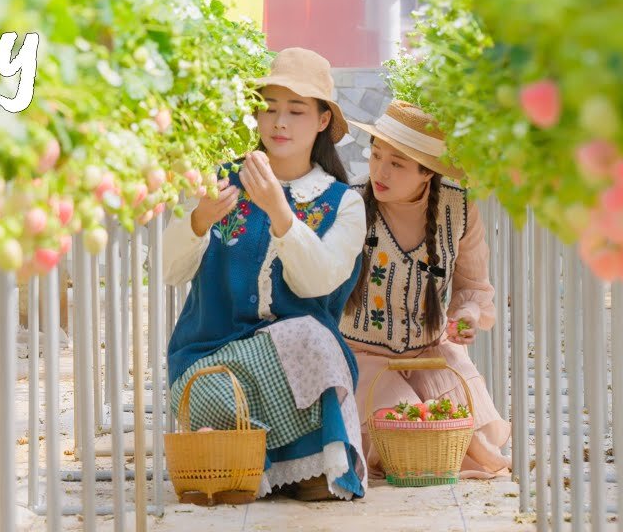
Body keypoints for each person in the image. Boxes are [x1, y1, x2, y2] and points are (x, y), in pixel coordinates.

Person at [163, 47, 368, 504]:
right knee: (212, 397)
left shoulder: (343, 204)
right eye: (269, 108)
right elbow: (169, 270)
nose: (279, 122)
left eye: (296, 111)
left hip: (296, 369)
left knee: (311, 339)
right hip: (210, 366)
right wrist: (197, 220)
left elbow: (319, 281)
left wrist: (280, 212)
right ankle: (253, 462)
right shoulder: (223, 181)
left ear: (321, 122)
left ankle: (277, 463)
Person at [343, 99, 511, 480]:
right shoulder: (349, 202)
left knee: (469, 433)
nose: (379, 171)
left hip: (431, 351)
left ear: (426, 173)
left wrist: (466, 316)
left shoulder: (459, 209)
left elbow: (472, 285)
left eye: (397, 163)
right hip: (362, 354)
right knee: (406, 432)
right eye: (376, 155)